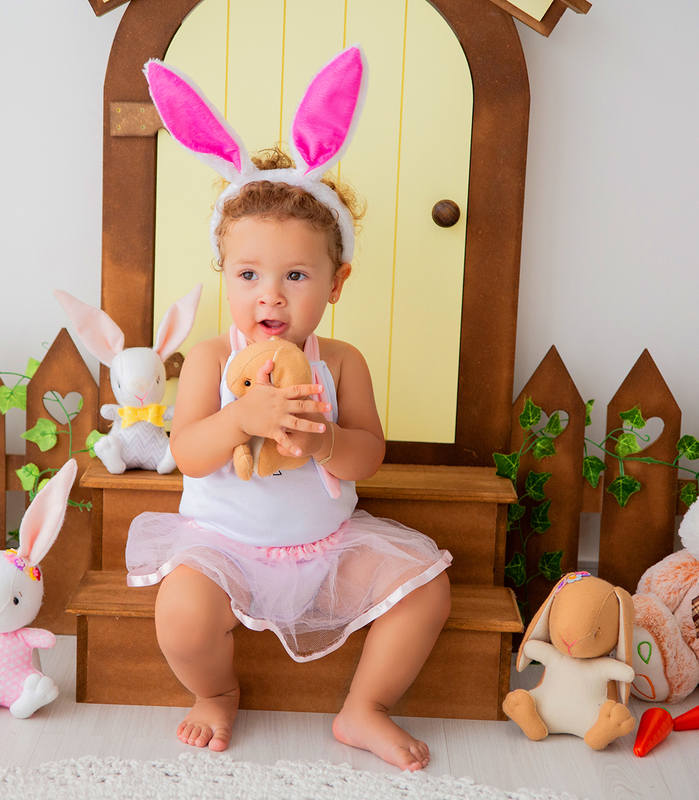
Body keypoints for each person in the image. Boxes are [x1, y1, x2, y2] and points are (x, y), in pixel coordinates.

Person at [129, 47, 452, 772]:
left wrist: (326, 441)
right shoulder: (210, 360)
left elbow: (370, 454)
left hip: (325, 544)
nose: (269, 295)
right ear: (226, 277)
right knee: (180, 615)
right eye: (248, 274)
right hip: (223, 547)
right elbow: (187, 454)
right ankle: (216, 693)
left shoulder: (341, 363)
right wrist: (240, 420)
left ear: (336, 283)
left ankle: (365, 707)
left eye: (296, 275)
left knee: (427, 593)